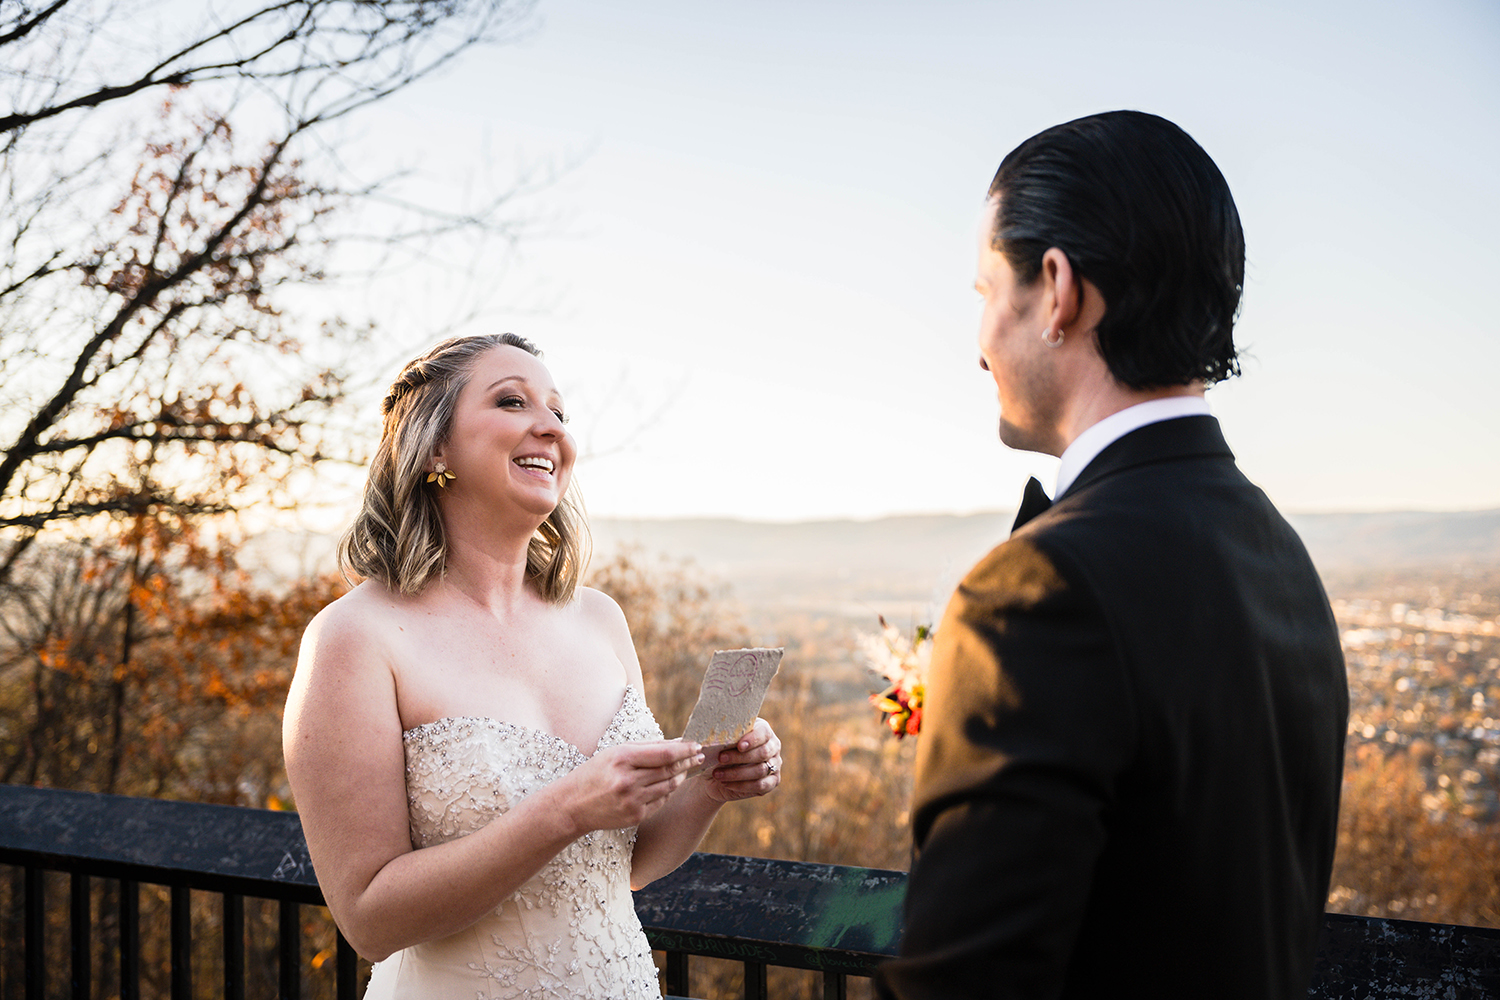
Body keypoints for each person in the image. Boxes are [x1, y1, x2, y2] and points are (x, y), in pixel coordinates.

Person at [875, 112, 1349, 999]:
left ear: (1056, 290)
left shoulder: (1041, 589)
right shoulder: (1279, 556)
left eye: (986, 291)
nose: (979, 342)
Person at [283, 333, 783, 999]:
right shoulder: (355, 637)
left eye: (558, 412)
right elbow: (370, 921)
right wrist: (567, 808)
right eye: (512, 402)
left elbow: (623, 865)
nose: (549, 428)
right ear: (435, 447)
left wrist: (708, 788)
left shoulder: (600, 618)